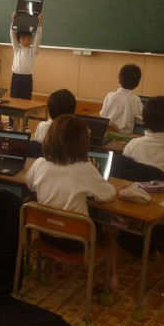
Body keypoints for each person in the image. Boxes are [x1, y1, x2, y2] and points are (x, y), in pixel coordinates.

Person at [25, 114, 118, 288]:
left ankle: (51, 266)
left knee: (56, 214)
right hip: (78, 242)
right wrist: (93, 182)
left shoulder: (39, 163)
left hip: (45, 235)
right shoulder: (86, 169)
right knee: (109, 229)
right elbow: (108, 195)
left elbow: (30, 185)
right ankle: (112, 278)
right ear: (83, 143)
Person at [99, 64, 144, 134]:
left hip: (106, 134)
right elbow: (141, 120)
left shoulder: (109, 95)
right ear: (137, 83)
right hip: (124, 136)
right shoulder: (135, 100)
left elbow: (102, 115)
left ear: (119, 80)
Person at [9, 11, 43, 99]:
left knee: (26, 99)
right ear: (19, 40)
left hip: (27, 78)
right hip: (16, 77)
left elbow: (38, 37)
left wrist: (39, 24)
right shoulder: (17, 48)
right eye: (23, 39)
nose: (26, 41)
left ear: (31, 39)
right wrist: (13, 21)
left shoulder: (32, 50)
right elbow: (12, 34)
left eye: (28, 39)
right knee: (14, 98)